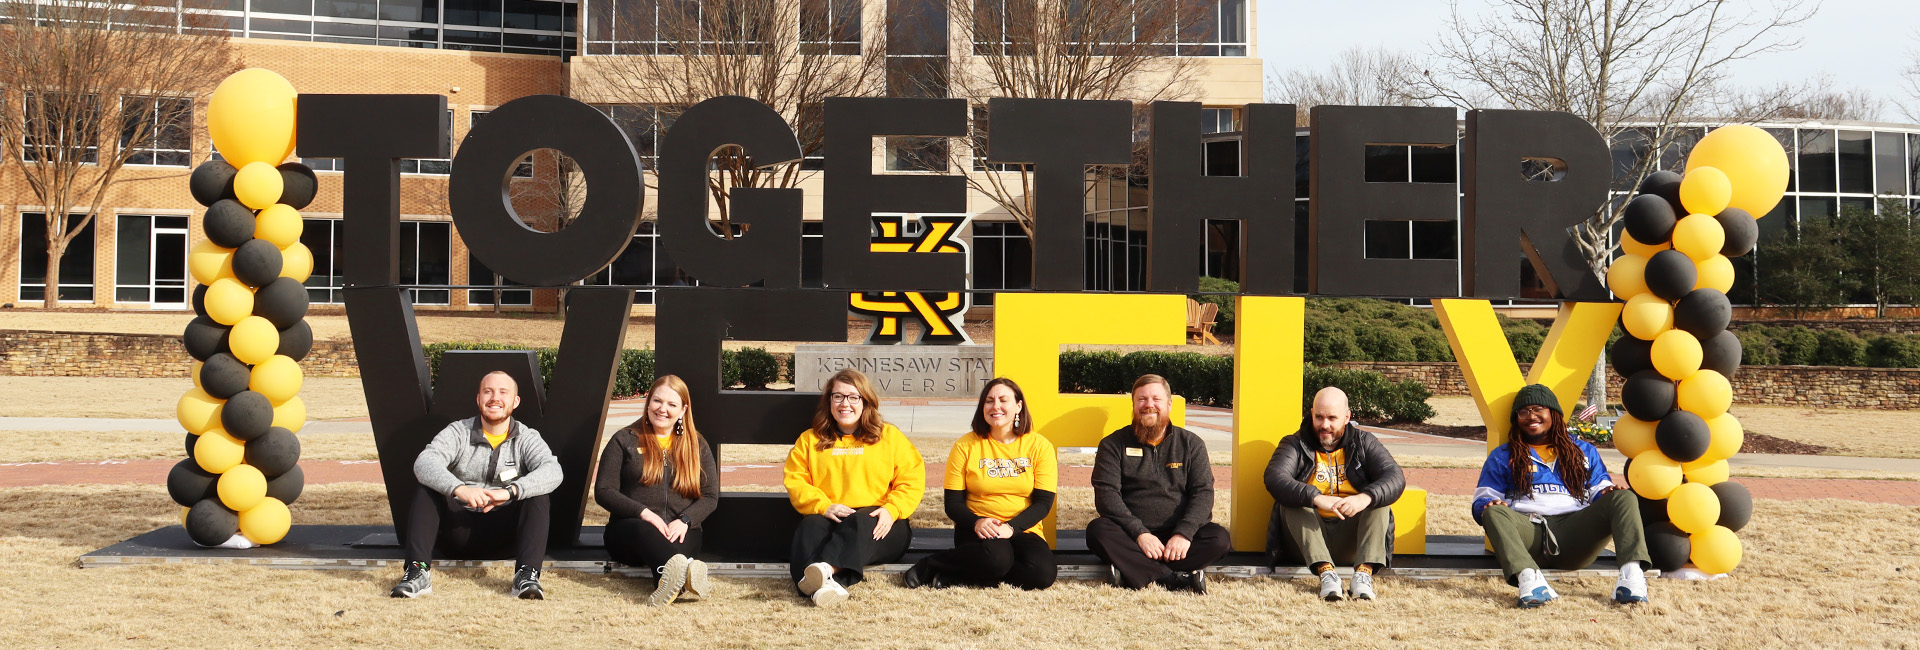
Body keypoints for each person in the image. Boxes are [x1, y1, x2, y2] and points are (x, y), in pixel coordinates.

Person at [1473, 384, 1653, 608]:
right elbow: (1481, 499)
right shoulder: (1503, 455)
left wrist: (1607, 493)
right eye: (1523, 412)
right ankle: (1531, 581)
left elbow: (1599, 488)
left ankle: (1631, 579)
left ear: (1553, 413)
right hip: (1529, 536)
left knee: (1624, 497)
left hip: (1576, 535)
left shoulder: (1583, 451)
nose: (1531, 416)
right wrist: (1488, 505)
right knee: (1493, 512)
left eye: (1538, 409)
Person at [392, 371, 562, 599]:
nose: (495, 398)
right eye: (488, 391)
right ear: (478, 398)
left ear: (515, 401)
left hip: (507, 537)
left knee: (537, 493)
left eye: (503, 392)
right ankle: (417, 573)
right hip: (456, 532)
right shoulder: (457, 431)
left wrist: (510, 492)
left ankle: (527, 576)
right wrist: (459, 489)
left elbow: (553, 471)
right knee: (428, 487)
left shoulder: (527, 437)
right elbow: (424, 462)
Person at [783, 368, 926, 606]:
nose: (844, 403)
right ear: (829, 401)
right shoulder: (810, 440)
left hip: (882, 523)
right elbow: (796, 480)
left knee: (861, 519)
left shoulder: (888, 436)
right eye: (838, 396)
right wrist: (824, 506)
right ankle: (823, 588)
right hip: (833, 516)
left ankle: (825, 569)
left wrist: (893, 509)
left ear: (865, 402)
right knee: (809, 527)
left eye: (853, 397)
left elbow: (912, 479)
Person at [903, 378, 1058, 590]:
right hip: (977, 530)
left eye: (1003, 400)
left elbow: (1043, 503)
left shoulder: (1040, 446)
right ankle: (929, 565)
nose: (996, 406)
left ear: (1018, 406)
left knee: (1042, 574)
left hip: (1022, 528)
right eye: (989, 401)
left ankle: (957, 576)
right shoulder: (965, 446)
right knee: (997, 559)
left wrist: (1011, 527)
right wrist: (977, 522)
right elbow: (953, 503)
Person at [1087, 374, 1231, 594]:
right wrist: (1140, 534)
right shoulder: (1112, 444)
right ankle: (1175, 577)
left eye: (1156, 399)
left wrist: (1184, 533)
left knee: (1219, 539)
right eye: (1142, 399)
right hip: (1132, 536)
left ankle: (1133, 570)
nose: (1149, 405)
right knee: (1098, 531)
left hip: (1178, 537)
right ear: (1134, 404)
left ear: (1169, 404)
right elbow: (1107, 495)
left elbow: (1203, 493)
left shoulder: (1191, 444)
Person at [1264, 386, 1406, 601]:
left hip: (1353, 540)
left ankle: (1363, 576)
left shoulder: (1364, 442)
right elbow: (1275, 478)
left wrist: (1363, 498)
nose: (1325, 425)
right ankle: (1327, 575)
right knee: (1293, 501)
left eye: (1332, 418)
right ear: (1311, 414)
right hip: (1306, 542)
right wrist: (1317, 498)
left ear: (1347, 417)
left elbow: (1395, 478)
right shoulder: (1294, 443)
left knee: (1378, 501)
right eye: (1319, 417)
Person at [595, 374, 719, 606]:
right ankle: (686, 574)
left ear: (683, 410)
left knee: (675, 553)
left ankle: (669, 580)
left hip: (680, 531)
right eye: (657, 401)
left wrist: (685, 520)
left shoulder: (696, 445)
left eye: (672, 404)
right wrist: (644, 513)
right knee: (648, 534)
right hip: (630, 532)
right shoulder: (624, 439)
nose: (662, 409)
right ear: (648, 402)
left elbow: (711, 496)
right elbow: (604, 490)